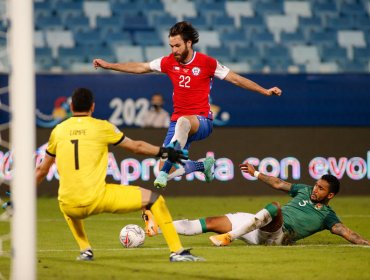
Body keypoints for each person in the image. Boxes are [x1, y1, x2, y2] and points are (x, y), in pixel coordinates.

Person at [93, 21, 282, 189]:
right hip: (177, 124)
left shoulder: (207, 63)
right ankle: (201, 165)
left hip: (202, 121)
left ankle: (165, 173)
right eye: (171, 46)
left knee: (183, 126)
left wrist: (264, 90)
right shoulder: (168, 62)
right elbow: (141, 67)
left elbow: (235, 79)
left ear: (189, 43)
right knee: (159, 165)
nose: (174, 50)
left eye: (177, 45)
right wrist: (109, 65)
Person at [35, 88, 204, 262]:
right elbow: (135, 147)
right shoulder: (102, 127)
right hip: (98, 198)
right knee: (155, 200)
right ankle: (177, 252)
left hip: (69, 205)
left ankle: (85, 250)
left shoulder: (58, 131)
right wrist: (164, 152)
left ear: (71, 106)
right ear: (92, 107)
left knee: (67, 202)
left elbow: (41, 170)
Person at [144, 163, 369, 246]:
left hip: (278, 235)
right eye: (316, 185)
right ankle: (158, 227)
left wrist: (366, 242)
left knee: (274, 207)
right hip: (257, 224)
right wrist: (257, 173)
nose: (315, 189)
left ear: (330, 196)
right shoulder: (305, 190)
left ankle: (228, 238)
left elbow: (345, 232)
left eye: (321, 189)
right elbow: (279, 183)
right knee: (211, 221)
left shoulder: (327, 215)